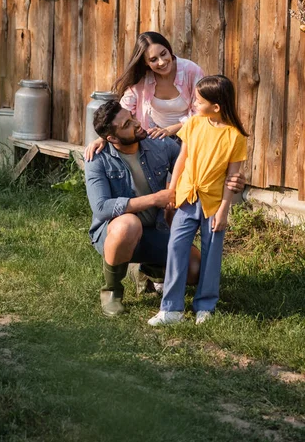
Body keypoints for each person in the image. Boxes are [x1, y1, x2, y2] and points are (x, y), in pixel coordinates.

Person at [84, 99, 245, 317]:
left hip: (157, 229)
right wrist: (156, 199)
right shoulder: (97, 158)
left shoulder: (159, 143)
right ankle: (112, 291)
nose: (136, 123)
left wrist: (232, 179)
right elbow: (102, 208)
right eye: (126, 125)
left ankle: (149, 270)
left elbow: (195, 162)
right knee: (128, 225)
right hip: (114, 234)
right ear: (111, 138)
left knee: (195, 271)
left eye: (131, 117)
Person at [148, 75, 248, 327]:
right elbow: (182, 159)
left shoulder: (235, 137)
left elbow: (233, 178)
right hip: (186, 198)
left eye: (199, 100)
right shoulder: (193, 124)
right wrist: (172, 191)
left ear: (216, 106)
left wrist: (224, 210)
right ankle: (171, 309)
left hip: (214, 204)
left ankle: (205, 305)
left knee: (212, 253)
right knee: (176, 247)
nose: (194, 102)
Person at [85, 31, 204, 161]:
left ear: (169, 49)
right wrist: (102, 138)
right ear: (146, 63)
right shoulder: (142, 79)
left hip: (190, 135)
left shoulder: (191, 71)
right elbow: (124, 109)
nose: (162, 62)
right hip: (154, 138)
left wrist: (170, 130)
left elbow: (202, 112)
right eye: (153, 59)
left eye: (163, 54)